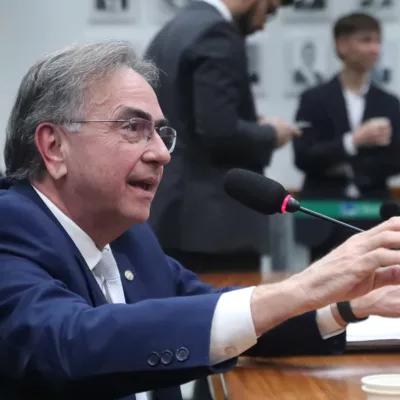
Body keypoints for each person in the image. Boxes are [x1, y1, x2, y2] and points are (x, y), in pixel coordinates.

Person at [2, 40, 400, 400]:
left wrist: (347, 306)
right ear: (54, 147)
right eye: (132, 128)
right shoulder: (10, 229)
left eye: (161, 133)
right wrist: (301, 287)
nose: (161, 153)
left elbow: (217, 317)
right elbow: (69, 342)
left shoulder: (131, 239)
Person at [145, 0, 300, 272]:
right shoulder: (217, 33)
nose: (263, 25)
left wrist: (252, 125)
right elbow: (219, 133)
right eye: (270, 10)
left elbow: (190, 118)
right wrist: (272, 134)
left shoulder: (173, 29)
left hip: (172, 216)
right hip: (216, 227)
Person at [293, 12, 400, 261]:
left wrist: (342, 165)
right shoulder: (314, 99)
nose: (374, 49)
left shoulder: (390, 104)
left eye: (377, 41)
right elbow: (304, 156)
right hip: (324, 221)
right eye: (366, 40)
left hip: (373, 219)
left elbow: (395, 160)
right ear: (342, 45)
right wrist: (353, 141)